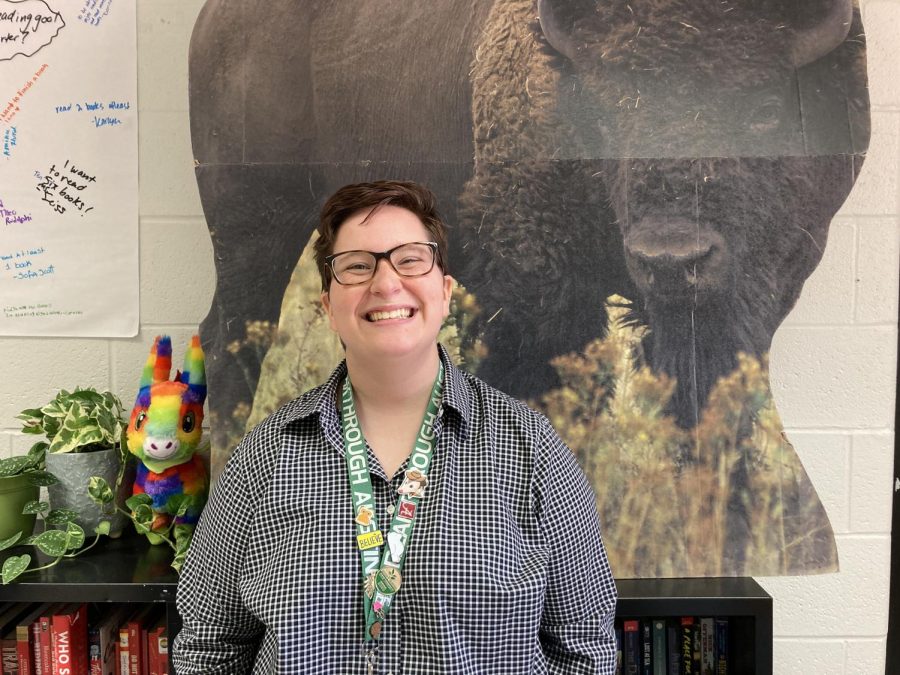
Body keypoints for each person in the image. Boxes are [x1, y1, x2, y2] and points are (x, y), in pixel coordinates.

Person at [172, 180, 618, 673]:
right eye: (357, 266)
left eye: (410, 259)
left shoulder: (531, 448)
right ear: (328, 309)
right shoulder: (266, 455)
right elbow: (210, 648)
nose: (385, 283)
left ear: (446, 291)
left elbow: (584, 650)